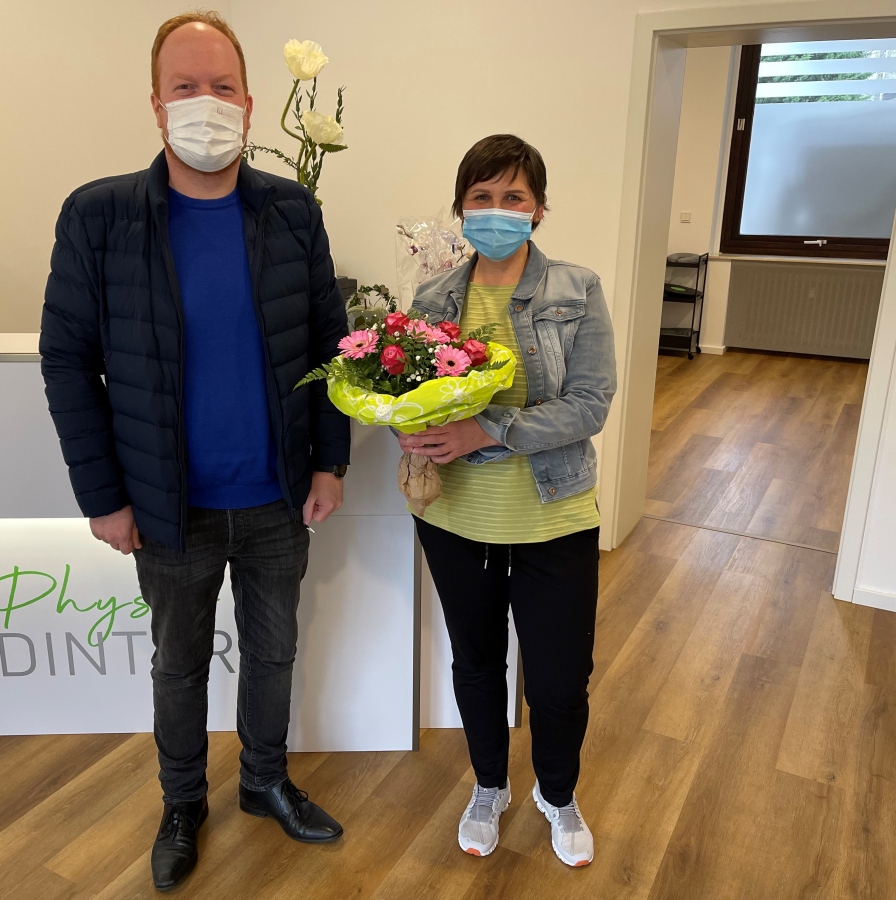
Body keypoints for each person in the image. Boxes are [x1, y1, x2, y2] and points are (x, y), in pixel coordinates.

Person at [39, 11, 350, 892]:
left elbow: (330, 341)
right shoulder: (100, 216)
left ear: (250, 104)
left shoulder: (292, 211)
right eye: (186, 87)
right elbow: (67, 357)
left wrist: (331, 460)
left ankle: (263, 782)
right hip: (166, 503)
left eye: (221, 88)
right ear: (155, 103)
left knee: (276, 650)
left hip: (277, 495)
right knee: (177, 664)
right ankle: (182, 802)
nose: (204, 104)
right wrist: (103, 495)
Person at [400, 134, 616, 868]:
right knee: (476, 663)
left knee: (559, 678)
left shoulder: (575, 290)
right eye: (482, 198)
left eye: (513, 198)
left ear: (539, 210)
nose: (497, 211)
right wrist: (415, 430)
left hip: (553, 513)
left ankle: (557, 793)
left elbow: (591, 403)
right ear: (462, 209)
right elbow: (418, 399)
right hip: (457, 516)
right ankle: (489, 784)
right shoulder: (432, 299)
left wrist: (484, 431)